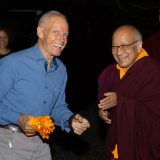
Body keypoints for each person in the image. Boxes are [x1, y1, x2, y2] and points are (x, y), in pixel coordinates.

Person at [0, 10, 90, 160]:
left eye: (66, 34)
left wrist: (70, 120)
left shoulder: (60, 69)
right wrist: (18, 118)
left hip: (41, 143)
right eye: (56, 32)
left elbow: (57, 107)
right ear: (40, 32)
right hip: (9, 140)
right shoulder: (13, 63)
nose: (62, 39)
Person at [98, 24, 160, 160]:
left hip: (144, 151)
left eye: (125, 45)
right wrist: (104, 112)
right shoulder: (109, 74)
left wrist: (121, 101)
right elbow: (104, 104)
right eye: (115, 46)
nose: (119, 52)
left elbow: (156, 119)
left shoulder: (152, 72)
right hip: (116, 151)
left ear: (139, 45)